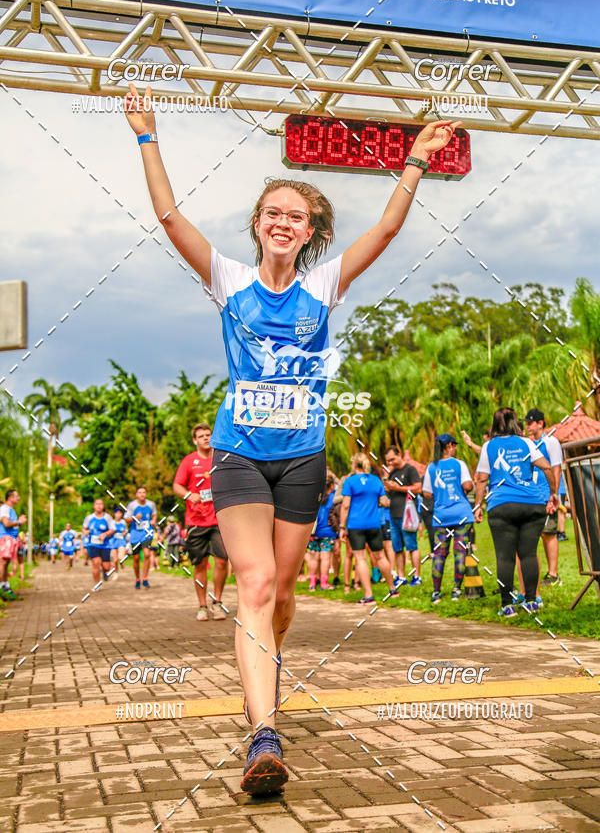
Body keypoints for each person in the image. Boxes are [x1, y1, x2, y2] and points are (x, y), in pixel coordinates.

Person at [124, 79, 458, 794]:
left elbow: (389, 230)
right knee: (256, 582)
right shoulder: (227, 278)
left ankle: (261, 682)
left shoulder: (324, 287)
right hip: (239, 454)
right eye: (272, 212)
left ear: (311, 233)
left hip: (303, 460)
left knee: (279, 600)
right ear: (257, 223)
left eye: (296, 216)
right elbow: (168, 214)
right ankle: (263, 735)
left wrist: (416, 161)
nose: (282, 222)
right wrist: (147, 133)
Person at [474, 407, 558, 617]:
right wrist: (553, 494)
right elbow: (547, 467)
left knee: (505, 557)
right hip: (532, 503)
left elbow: (482, 479)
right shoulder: (526, 442)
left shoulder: (488, 446)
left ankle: (506, 605)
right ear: (515, 423)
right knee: (528, 553)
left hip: (501, 505)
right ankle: (531, 602)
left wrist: (478, 506)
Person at [173, 423, 229, 621]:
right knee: (200, 564)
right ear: (195, 440)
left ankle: (218, 602)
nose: (206, 438)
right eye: (201, 436)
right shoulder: (189, 461)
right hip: (196, 521)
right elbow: (177, 485)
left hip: (219, 519)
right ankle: (202, 605)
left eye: (208, 435)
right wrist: (189, 495)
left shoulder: (221, 458)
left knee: (222, 560)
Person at [339, 454, 400, 605]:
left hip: (356, 525)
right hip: (374, 524)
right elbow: (384, 502)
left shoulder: (350, 481)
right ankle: (393, 589)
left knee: (360, 558)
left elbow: (345, 506)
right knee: (380, 556)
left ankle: (368, 595)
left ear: (354, 465)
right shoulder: (376, 480)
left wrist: (341, 527)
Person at [422, 434, 474, 602]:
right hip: (461, 515)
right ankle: (456, 591)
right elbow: (468, 485)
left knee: (439, 554)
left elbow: (427, 493)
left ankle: (436, 593)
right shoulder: (459, 464)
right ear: (450, 445)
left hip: (441, 517)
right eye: (455, 445)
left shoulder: (431, 467)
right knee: (460, 552)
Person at [525, 408, 564, 587]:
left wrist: (552, 495)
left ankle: (553, 574)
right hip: (534, 496)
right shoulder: (531, 444)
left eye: (530, 423)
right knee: (539, 534)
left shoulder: (551, 442)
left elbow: (556, 468)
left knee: (549, 533)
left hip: (547, 494)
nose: (527, 426)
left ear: (540, 423)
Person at [383, 447, 423, 587]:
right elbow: (390, 493)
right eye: (388, 461)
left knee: (412, 546)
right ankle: (401, 576)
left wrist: (398, 488)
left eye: (393, 459)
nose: (391, 462)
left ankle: (417, 576)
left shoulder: (410, 470)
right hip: (393, 515)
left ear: (399, 455)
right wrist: (388, 489)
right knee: (397, 548)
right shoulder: (392, 472)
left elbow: (418, 488)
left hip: (408, 515)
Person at [307, 473, 337, 591]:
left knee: (314, 557)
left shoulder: (315, 497)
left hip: (314, 532)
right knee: (325, 558)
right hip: (327, 532)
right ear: (331, 486)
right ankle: (324, 583)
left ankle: (312, 583)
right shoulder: (333, 498)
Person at [125, 486, 157, 589]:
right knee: (136, 558)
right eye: (140, 492)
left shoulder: (151, 504)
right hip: (135, 534)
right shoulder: (132, 505)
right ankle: (137, 579)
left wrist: (153, 521)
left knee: (147, 554)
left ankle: (145, 578)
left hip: (146, 533)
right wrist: (135, 518)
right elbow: (126, 519)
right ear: (136, 494)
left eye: (144, 492)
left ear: (146, 494)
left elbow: (154, 515)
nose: (142, 494)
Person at [0, 490, 26, 600]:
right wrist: (19, 522)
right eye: (16, 496)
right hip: (6, 538)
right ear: (10, 497)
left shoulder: (11, 510)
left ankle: (5, 585)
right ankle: (1, 586)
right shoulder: (5, 508)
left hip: (11, 539)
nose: (18, 498)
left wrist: (19, 523)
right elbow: (6, 523)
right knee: (3, 562)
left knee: (6, 563)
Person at [82, 500, 114, 585]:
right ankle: (97, 584)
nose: (99, 506)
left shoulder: (107, 517)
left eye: (101, 504)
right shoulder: (89, 518)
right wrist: (85, 532)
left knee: (106, 567)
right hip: (93, 544)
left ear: (103, 506)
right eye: (97, 504)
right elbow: (84, 528)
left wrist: (105, 534)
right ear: (94, 506)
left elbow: (112, 529)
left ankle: (104, 571)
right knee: (96, 563)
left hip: (105, 545)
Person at [110, 506, 128, 579]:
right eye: (117, 513)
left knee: (120, 557)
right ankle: (116, 573)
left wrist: (123, 534)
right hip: (113, 542)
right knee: (115, 560)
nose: (118, 514)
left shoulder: (123, 522)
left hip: (121, 541)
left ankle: (122, 563)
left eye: (120, 513)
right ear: (114, 514)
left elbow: (126, 531)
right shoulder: (111, 522)